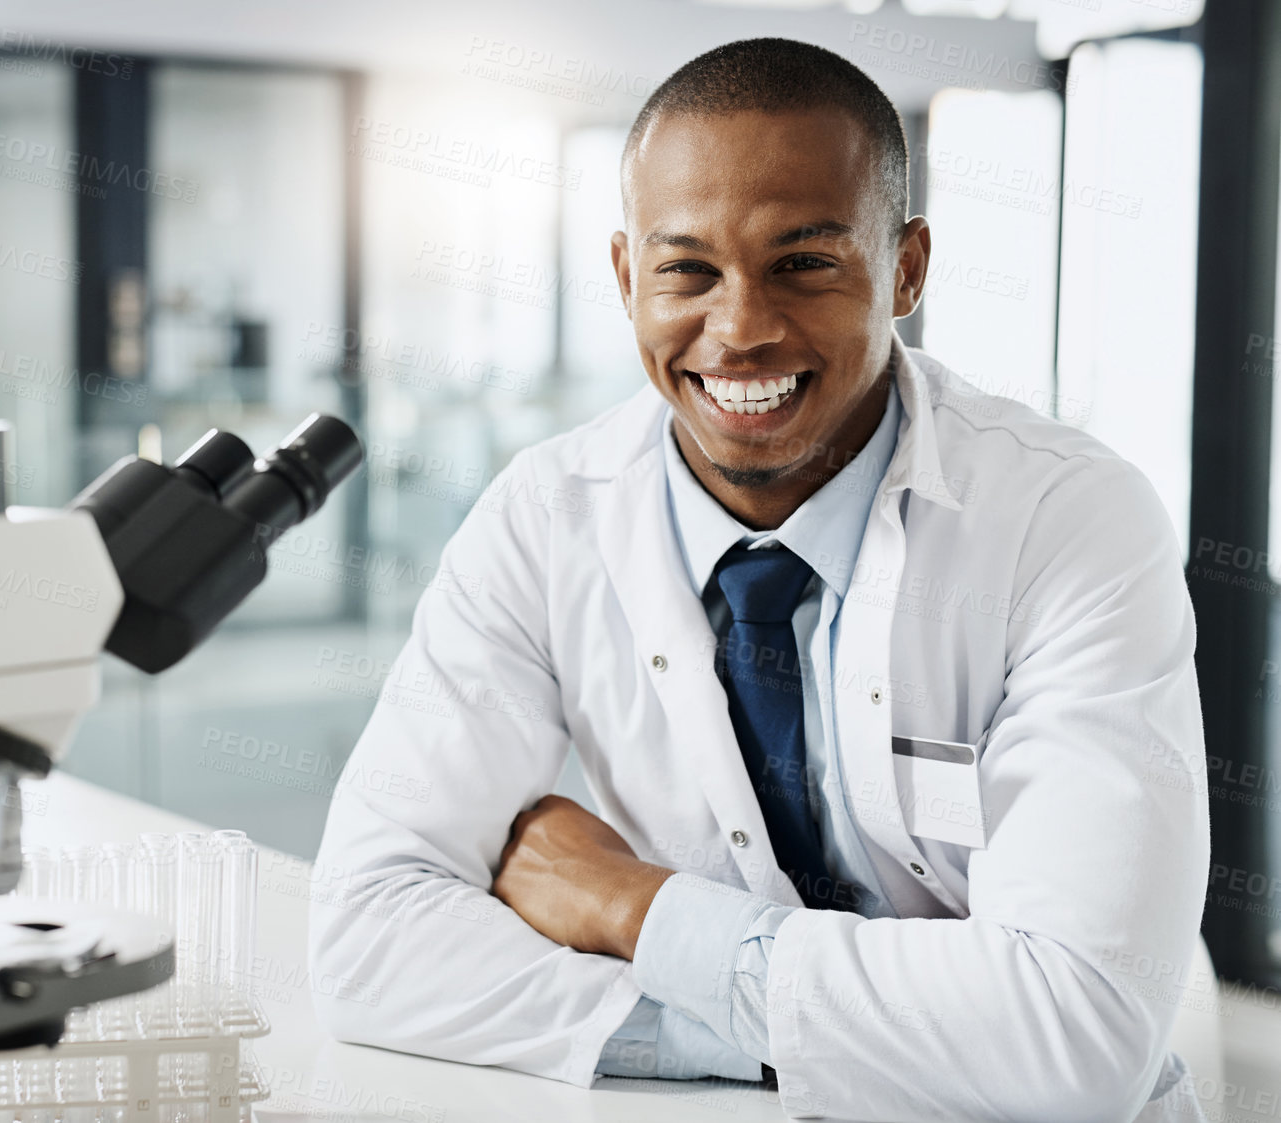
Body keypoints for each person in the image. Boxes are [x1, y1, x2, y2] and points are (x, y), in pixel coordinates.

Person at [308, 36, 1208, 1123]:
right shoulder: (543, 517)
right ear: (622, 275)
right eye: (685, 269)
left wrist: (636, 909)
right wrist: (786, 1041)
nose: (737, 329)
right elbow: (365, 936)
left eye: (803, 263)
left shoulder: (1067, 521)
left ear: (906, 269)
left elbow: (1072, 1039)